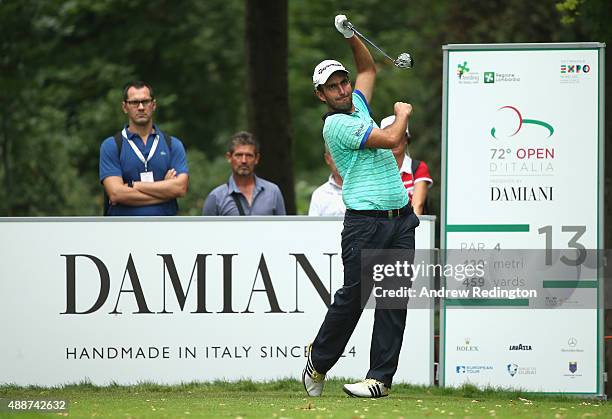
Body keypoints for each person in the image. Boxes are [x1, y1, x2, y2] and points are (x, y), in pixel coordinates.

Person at [302, 14, 420, 398]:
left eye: (342, 82)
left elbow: (368, 67)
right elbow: (389, 139)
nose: (340, 90)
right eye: (331, 87)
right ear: (320, 95)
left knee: (393, 300)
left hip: (401, 218)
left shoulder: (356, 104)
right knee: (354, 297)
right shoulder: (336, 125)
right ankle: (318, 361)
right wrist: (401, 115)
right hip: (364, 223)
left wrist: (351, 37)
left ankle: (379, 379)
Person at [99, 81, 189, 216]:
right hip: (123, 232)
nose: (141, 107)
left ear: (153, 105)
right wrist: (165, 189)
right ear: (125, 107)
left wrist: (134, 186)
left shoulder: (173, 144)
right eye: (134, 102)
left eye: (145, 101)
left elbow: (180, 188)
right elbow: (116, 194)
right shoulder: (111, 145)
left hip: (165, 231)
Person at [203, 131, 286, 216]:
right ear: (229, 157)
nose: (244, 161)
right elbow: (206, 229)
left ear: (257, 158)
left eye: (249, 155)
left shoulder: (273, 192)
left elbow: (283, 228)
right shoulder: (216, 198)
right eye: (238, 155)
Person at [380, 115, 433, 215]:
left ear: (406, 139)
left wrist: (409, 229)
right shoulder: (374, 170)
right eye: (390, 136)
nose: (395, 141)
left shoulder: (418, 168)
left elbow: (417, 205)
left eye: (399, 136)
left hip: (410, 228)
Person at [308, 146, 345, 216]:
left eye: (345, 155)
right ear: (327, 159)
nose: (341, 160)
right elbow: (312, 226)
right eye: (337, 155)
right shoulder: (319, 195)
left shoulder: (365, 190)